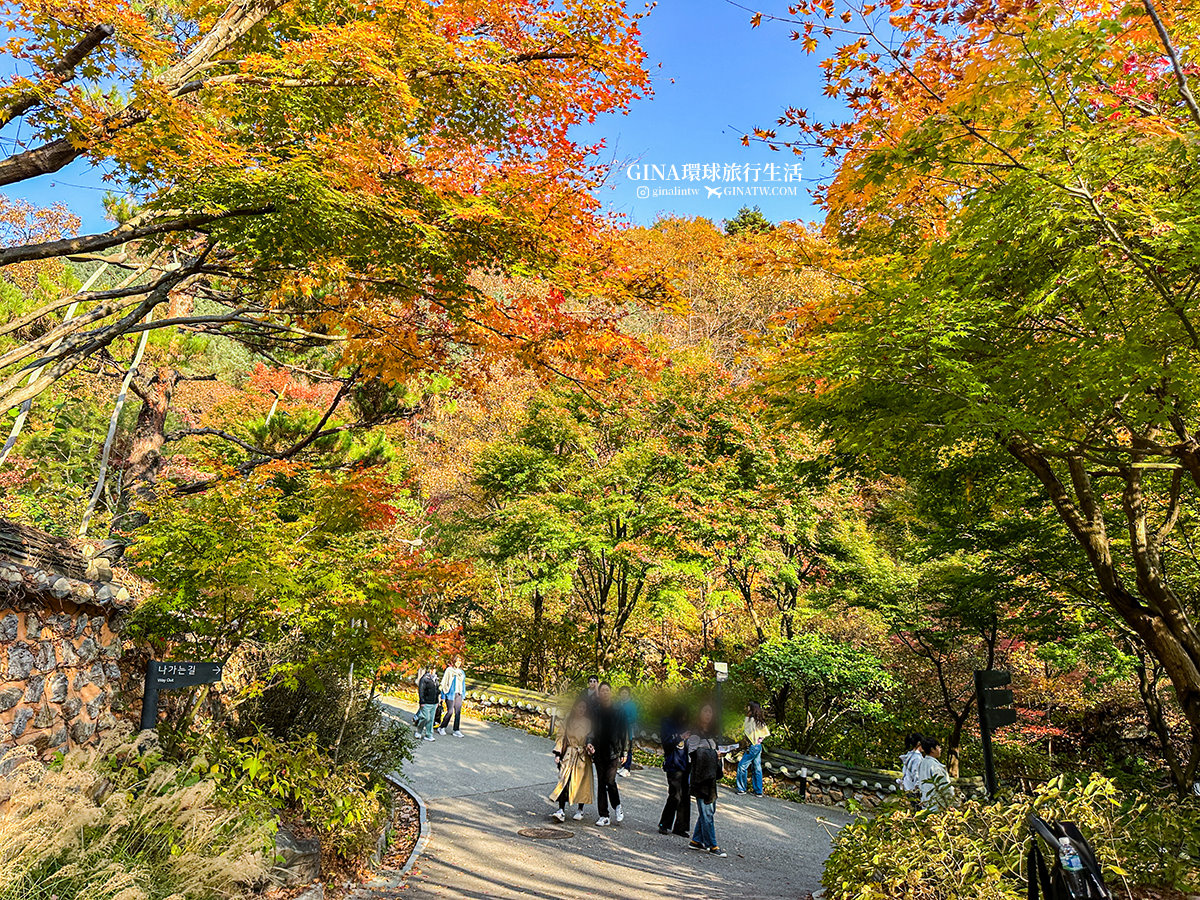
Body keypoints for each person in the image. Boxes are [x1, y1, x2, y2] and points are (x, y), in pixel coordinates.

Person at [687, 702, 727, 857]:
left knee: (710, 809)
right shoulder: (695, 733)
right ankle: (712, 845)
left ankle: (696, 840)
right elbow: (692, 754)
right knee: (707, 811)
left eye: (710, 712)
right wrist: (712, 754)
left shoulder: (710, 734)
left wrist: (718, 754)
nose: (708, 714)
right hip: (699, 777)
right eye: (705, 711)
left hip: (710, 776)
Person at [586, 681, 627, 826]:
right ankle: (604, 815)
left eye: (607, 690)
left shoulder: (618, 710)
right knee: (601, 783)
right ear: (599, 693)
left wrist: (624, 751)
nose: (604, 693)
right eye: (602, 690)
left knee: (610, 780)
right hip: (599, 751)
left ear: (610, 692)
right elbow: (591, 729)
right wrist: (589, 742)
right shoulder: (595, 710)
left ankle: (617, 806)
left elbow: (624, 731)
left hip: (613, 751)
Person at [549, 698, 595, 822]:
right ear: (575, 708)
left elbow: (591, 737)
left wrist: (590, 747)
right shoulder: (568, 721)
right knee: (564, 781)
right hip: (569, 754)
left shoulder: (588, 723)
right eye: (579, 707)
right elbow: (561, 736)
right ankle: (561, 810)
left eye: (584, 708)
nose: (581, 710)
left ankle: (580, 809)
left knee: (582, 783)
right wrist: (558, 753)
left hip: (582, 755)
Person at [658, 704, 691, 836]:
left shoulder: (687, 724)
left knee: (685, 796)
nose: (684, 718)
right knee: (675, 795)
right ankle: (664, 824)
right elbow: (666, 743)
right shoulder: (668, 723)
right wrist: (680, 737)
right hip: (673, 764)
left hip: (686, 763)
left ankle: (681, 827)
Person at [735, 701, 769, 797]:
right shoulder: (760, 720)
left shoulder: (750, 720)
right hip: (758, 746)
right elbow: (765, 733)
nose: (747, 708)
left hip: (752, 746)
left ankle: (742, 788)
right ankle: (758, 791)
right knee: (757, 768)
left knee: (742, 766)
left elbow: (745, 730)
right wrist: (759, 740)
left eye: (748, 707)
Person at [917, 736, 953, 811]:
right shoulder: (935, 766)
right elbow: (943, 786)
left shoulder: (922, 763)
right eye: (938, 747)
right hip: (937, 804)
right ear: (932, 749)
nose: (940, 749)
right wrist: (951, 800)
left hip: (926, 802)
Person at [438, 655, 467, 737]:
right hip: (450, 694)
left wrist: (463, 694)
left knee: (458, 712)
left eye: (460, 661)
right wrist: (443, 696)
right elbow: (444, 683)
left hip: (459, 694)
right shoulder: (449, 670)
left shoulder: (461, 672)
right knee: (450, 711)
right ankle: (442, 727)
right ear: (453, 661)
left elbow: (463, 684)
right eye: (457, 660)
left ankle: (456, 730)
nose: (458, 662)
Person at [617, 685, 638, 777]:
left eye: (625, 693)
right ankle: (623, 766)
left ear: (628, 694)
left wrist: (623, 720)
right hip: (619, 730)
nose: (624, 694)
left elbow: (634, 718)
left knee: (628, 748)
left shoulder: (632, 705)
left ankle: (627, 768)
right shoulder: (619, 704)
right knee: (621, 747)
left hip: (628, 730)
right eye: (622, 693)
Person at [415, 664, 440, 742]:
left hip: (434, 702)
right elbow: (421, 690)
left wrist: (437, 701)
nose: (433, 671)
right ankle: (419, 731)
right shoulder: (425, 679)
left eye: (434, 669)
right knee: (425, 717)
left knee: (431, 719)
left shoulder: (436, 679)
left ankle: (429, 734)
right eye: (432, 669)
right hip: (426, 702)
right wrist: (422, 701)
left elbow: (437, 690)